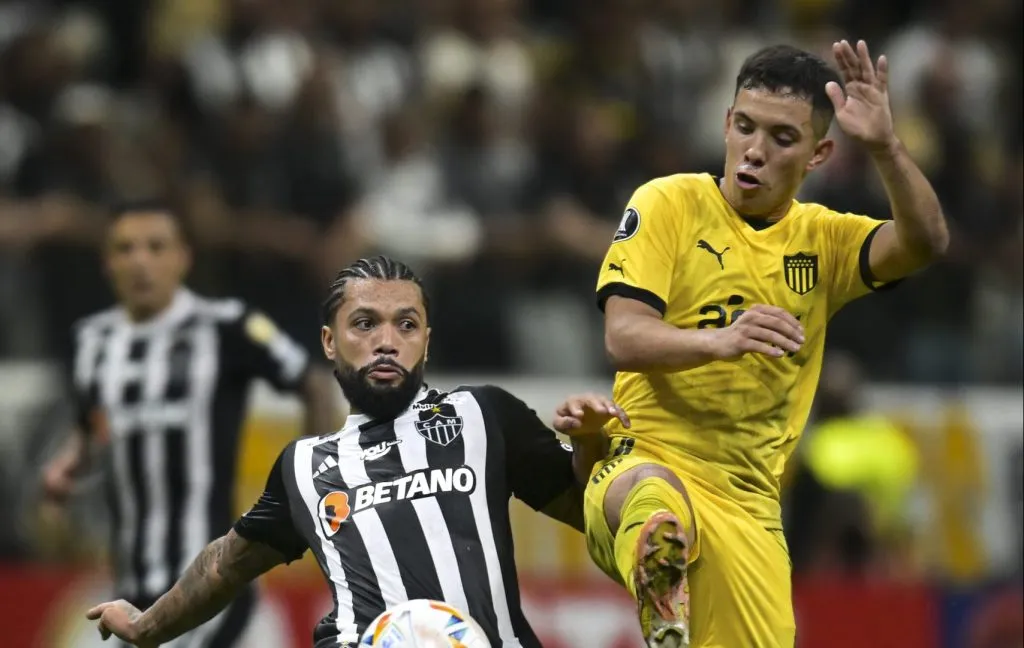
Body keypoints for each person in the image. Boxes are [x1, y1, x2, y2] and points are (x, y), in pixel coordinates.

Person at [581, 41, 949, 647]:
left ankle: (670, 616)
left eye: (782, 138)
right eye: (746, 127)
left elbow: (926, 241)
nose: (755, 149)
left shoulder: (823, 241)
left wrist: (886, 147)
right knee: (655, 504)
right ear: (727, 123)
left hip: (749, 504)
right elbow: (623, 337)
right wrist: (722, 340)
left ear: (818, 154)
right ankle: (658, 565)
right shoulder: (668, 202)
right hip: (645, 454)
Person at [85, 255, 621, 648]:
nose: (387, 341)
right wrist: (147, 627)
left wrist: (591, 445)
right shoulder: (304, 466)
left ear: (427, 340)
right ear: (329, 341)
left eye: (406, 324)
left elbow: (590, 511)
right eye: (365, 323)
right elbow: (226, 564)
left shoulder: (483, 415)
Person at [41, 202, 339, 647]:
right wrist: (66, 468)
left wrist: (309, 480)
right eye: (126, 249)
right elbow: (92, 425)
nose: (140, 261)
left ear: (183, 257)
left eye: (156, 247)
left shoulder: (227, 326)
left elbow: (312, 382)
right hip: (126, 590)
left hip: (215, 590)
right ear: (108, 262)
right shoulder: (93, 342)